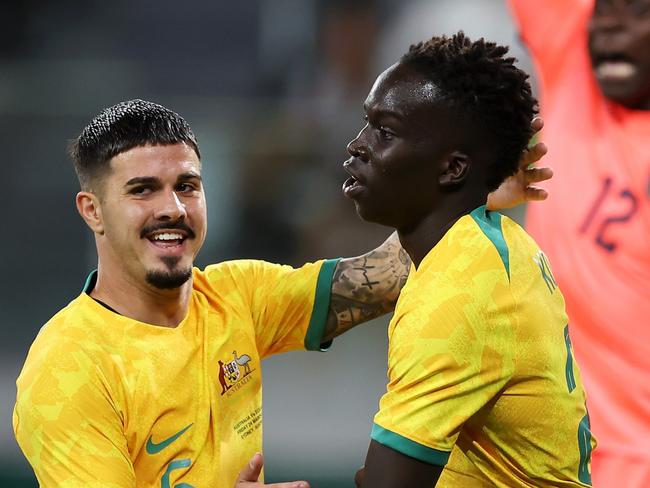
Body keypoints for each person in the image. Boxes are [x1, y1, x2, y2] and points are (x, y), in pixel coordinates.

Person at [12, 99, 548, 488]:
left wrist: (461, 194)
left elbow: (383, 275)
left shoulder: (236, 295)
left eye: (188, 186)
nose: (172, 208)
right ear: (92, 211)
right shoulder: (67, 369)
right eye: (142, 190)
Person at [336, 32, 595, 487]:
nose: (358, 144)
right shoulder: (493, 244)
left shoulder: (459, 295)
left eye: (385, 131)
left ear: (453, 169)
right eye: (366, 122)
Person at [508, 0, 650, 485]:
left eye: (638, 11)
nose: (609, 24)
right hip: (555, 463)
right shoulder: (574, 68)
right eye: (603, 8)